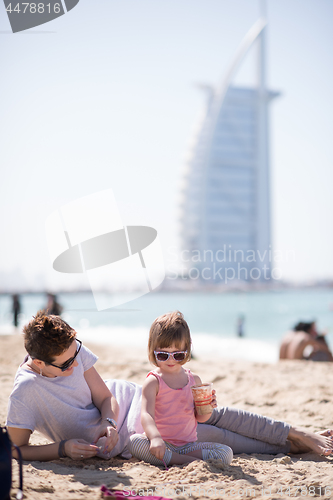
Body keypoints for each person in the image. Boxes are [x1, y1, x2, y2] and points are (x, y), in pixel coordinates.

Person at [6, 311, 333, 462]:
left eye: (75, 353)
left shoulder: (73, 352)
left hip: (132, 401)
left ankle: (296, 433)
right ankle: (290, 445)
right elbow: (15, 450)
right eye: (65, 365)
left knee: (214, 415)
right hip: (139, 429)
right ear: (37, 363)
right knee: (223, 437)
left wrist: (107, 422)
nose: (76, 364)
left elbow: (106, 397)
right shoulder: (26, 392)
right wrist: (63, 449)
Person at [127, 312, 233, 467]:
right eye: (163, 355)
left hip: (189, 447)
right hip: (162, 444)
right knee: (134, 442)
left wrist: (207, 408)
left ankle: (178, 459)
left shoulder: (194, 380)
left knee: (226, 453)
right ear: (152, 350)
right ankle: (188, 462)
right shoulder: (153, 381)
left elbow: (201, 418)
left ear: (187, 350)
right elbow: (146, 415)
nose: (170, 360)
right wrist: (155, 438)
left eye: (177, 355)